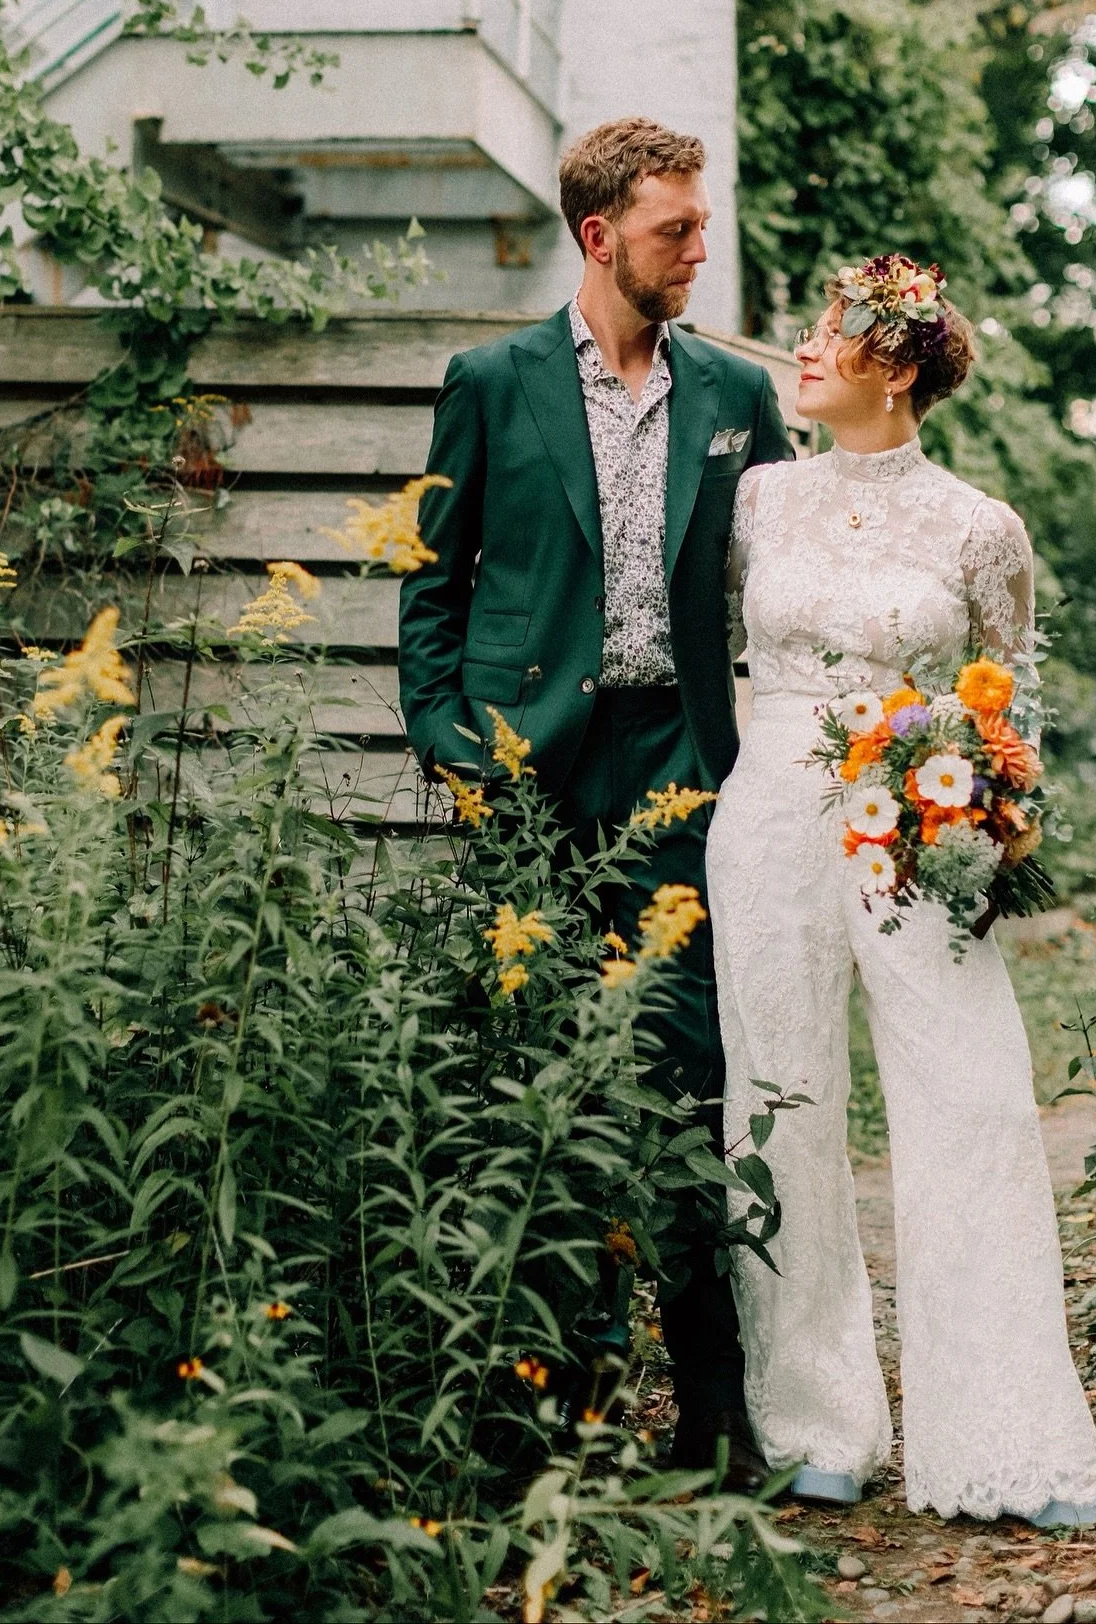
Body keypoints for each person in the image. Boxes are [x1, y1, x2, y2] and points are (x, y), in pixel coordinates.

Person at [398, 116, 796, 1483]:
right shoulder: (491, 381)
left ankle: (715, 1416)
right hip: (536, 780)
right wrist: (459, 750)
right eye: (675, 228)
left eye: (700, 222)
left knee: (685, 1083)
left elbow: (791, 594)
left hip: (683, 774)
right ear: (598, 235)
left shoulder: (741, 399)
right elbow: (430, 584)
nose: (699, 247)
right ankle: (547, 1416)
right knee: (544, 1088)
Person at [705, 255, 1096, 1526]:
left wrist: (984, 817)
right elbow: (724, 650)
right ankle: (817, 1419)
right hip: (769, 816)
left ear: (895, 362)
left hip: (913, 832)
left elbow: (1012, 693)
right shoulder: (761, 501)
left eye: (830, 334)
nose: (805, 352)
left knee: (974, 1099)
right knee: (779, 1098)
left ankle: (1002, 1429)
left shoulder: (982, 527)